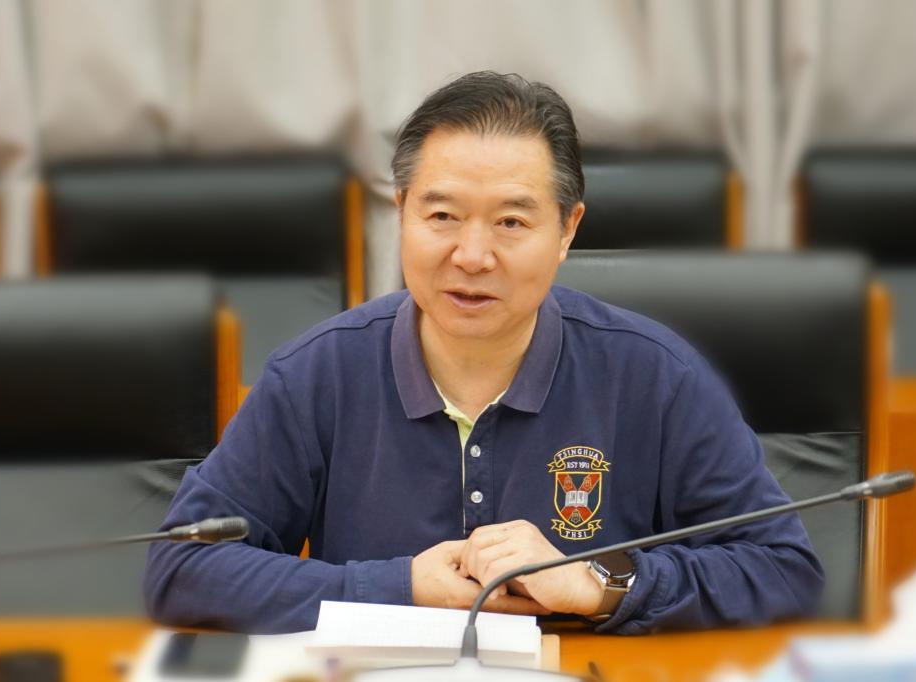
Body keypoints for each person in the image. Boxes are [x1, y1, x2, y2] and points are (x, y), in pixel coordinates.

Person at [144, 71, 823, 635]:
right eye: (442, 216)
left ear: (567, 230)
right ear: (401, 213)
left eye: (511, 221)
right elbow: (182, 569)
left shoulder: (654, 376)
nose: (472, 256)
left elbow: (785, 571)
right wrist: (398, 587)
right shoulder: (317, 374)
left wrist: (600, 581)